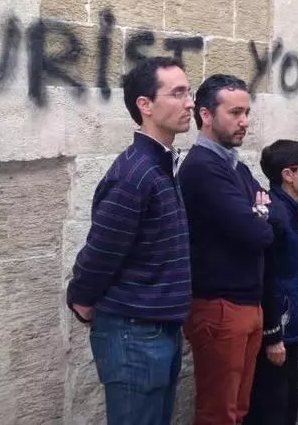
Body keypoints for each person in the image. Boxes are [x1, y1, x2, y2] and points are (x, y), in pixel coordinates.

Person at [65, 56, 195, 425]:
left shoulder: (160, 165)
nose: (189, 103)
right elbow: (101, 251)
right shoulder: (135, 174)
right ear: (145, 105)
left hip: (159, 329)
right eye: (178, 93)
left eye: (189, 92)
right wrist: (81, 300)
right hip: (134, 335)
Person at [178, 74, 275, 425]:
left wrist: (259, 212)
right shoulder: (202, 169)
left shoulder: (235, 165)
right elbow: (257, 233)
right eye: (235, 113)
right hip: (220, 308)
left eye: (246, 112)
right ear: (206, 115)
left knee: (238, 410)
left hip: (245, 304)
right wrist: (259, 213)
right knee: (219, 413)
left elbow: (272, 214)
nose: (244, 121)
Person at [245, 139, 298, 425]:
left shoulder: (289, 210)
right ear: (288, 174)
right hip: (278, 329)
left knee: (288, 404)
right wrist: (273, 336)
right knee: (273, 408)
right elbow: (270, 280)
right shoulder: (276, 216)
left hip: (289, 326)